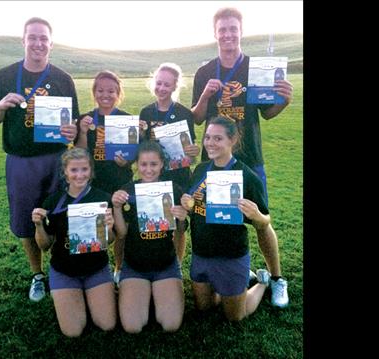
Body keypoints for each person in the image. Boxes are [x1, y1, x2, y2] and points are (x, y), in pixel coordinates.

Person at [191, 7, 291, 308]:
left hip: (248, 158)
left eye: (233, 29)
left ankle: (276, 279)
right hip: (216, 162)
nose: (228, 35)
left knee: (260, 220)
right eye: (222, 30)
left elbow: (268, 113)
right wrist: (206, 96)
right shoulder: (204, 72)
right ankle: (237, 269)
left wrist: (284, 101)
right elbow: (196, 119)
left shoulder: (255, 67)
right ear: (215, 33)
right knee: (220, 216)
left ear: (241, 31)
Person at [0, 17, 79, 302]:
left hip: (56, 159)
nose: (38, 43)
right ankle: (38, 274)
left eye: (43, 38)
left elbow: (73, 122)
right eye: (33, 37)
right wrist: (0, 105)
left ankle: (65, 270)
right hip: (21, 160)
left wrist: (72, 129)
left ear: (51, 43)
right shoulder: (4, 75)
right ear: (23, 41)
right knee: (27, 218)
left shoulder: (62, 78)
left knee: (62, 215)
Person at [181, 116, 271, 320]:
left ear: (233, 140)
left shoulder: (246, 176)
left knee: (235, 316)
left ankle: (262, 282)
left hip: (231, 254)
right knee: (204, 307)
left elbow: (264, 222)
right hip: (202, 253)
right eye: (208, 137)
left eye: (218, 138)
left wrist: (256, 215)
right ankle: (232, 286)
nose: (210, 143)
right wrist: (188, 204)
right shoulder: (201, 170)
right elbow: (193, 206)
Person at [32, 147, 116, 337]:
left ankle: (91, 295)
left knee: (107, 324)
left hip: (96, 268)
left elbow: (109, 241)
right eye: (74, 170)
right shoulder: (54, 202)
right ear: (65, 173)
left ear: (91, 171)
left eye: (84, 169)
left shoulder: (102, 199)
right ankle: (71, 297)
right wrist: (39, 226)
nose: (80, 175)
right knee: (73, 331)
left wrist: (109, 229)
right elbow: (44, 246)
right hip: (65, 271)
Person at [112, 141, 188, 333]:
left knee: (171, 325)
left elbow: (181, 231)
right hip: (135, 266)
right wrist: (116, 208)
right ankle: (143, 292)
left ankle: (159, 292)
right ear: (136, 164)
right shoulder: (128, 190)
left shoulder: (174, 190)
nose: (148, 170)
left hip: (165, 264)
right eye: (143, 164)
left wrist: (181, 217)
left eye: (153, 164)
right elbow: (121, 233)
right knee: (132, 327)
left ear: (162, 164)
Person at [138, 62, 200, 266]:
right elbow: (142, 148)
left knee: (180, 223)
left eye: (167, 84)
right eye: (159, 83)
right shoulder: (145, 112)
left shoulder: (184, 113)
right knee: (155, 221)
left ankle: (177, 264)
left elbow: (190, 154)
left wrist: (193, 152)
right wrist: (138, 135)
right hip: (153, 177)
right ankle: (155, 261)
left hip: (179, 176)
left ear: (175, 86)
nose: (162, 88)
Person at [75, 71, 134, 285]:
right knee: (97, 228)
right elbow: (80, 155)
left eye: (111, 91)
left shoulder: (126, 119)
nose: (105, 95)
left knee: (121, 230)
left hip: (120, 182)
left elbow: (133, 156)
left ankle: (119, 268)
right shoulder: (86, 119)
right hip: (94, 183)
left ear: (118, 93)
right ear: (94, 92)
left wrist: (125, 161)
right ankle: (96, 271)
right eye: (100, 90)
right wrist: (82, 132)